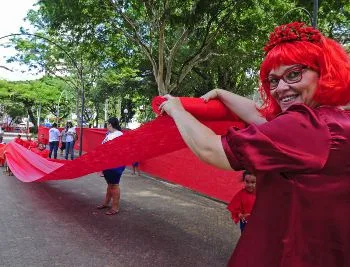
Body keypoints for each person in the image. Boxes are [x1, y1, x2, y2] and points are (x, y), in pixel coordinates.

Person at [159, 22, 350, 266]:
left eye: (294, 74)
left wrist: (176, 109)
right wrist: (221, 93)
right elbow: (262, 118)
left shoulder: (310, 126)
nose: (281, 88)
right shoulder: (335, 120)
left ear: (323, 72)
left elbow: (212, 149)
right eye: (273, 80)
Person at [97, 117, 125, 215]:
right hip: (107, 163)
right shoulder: (110, 134)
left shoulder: (119, 135)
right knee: (110, 184)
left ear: (110, 124)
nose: (106, 126)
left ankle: (115, 207)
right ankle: (106, 203)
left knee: (114, 185)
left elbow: (118, 150)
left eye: (107, 124)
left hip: (115, 163)